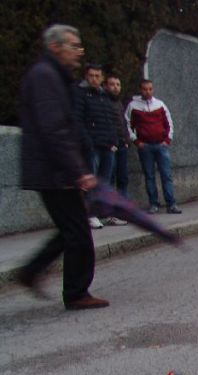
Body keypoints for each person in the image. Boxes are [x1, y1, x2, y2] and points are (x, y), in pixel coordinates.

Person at [16, 24, 108, 310]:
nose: (78, 52)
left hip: (53, 168)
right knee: (77, 230)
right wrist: (77, 170)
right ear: (55, 47)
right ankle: (76, 292)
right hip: (53, 170)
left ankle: (31, 271)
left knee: (71, 227)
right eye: (73, 46)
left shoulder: (53, 77)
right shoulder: (45, 77)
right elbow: (54, 128)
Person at [126, 79, 180, 214]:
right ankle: (153, 203)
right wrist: (136, 141)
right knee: (149, 175)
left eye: (150, 89)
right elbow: (127, 125)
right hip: (145, 146)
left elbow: (169, 123)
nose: (148, 92)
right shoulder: (133, 106)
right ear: (141, 89)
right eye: (145, 89)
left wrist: (167, 139)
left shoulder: (160, 105)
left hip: (161, 144)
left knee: (166, 175)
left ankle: (171, 203)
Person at [74, 63, 117, 229]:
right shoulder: (81, 94)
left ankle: (102, 213)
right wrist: (87, 143)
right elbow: (77, 120)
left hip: (107, 146)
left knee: (104, 182)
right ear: (86, 76)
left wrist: (114, 141)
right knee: (91, 182)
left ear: (102, 78)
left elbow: (111, 120)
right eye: (91, 75)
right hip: (92, 146)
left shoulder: (104, 95)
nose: (94, 79)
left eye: (97, 76)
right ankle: (90, 215)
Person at [104, 73, 131, 203]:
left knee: (123, 177)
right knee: (110, 177)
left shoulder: (119, 103)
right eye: (112, 84)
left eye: (118, 84)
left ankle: (123, 206)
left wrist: (126, 140)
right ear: (106, 86)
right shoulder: (104, 102)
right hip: (111, 145)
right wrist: (110, 142)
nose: (115, 87)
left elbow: (123, 123)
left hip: (122, 144)